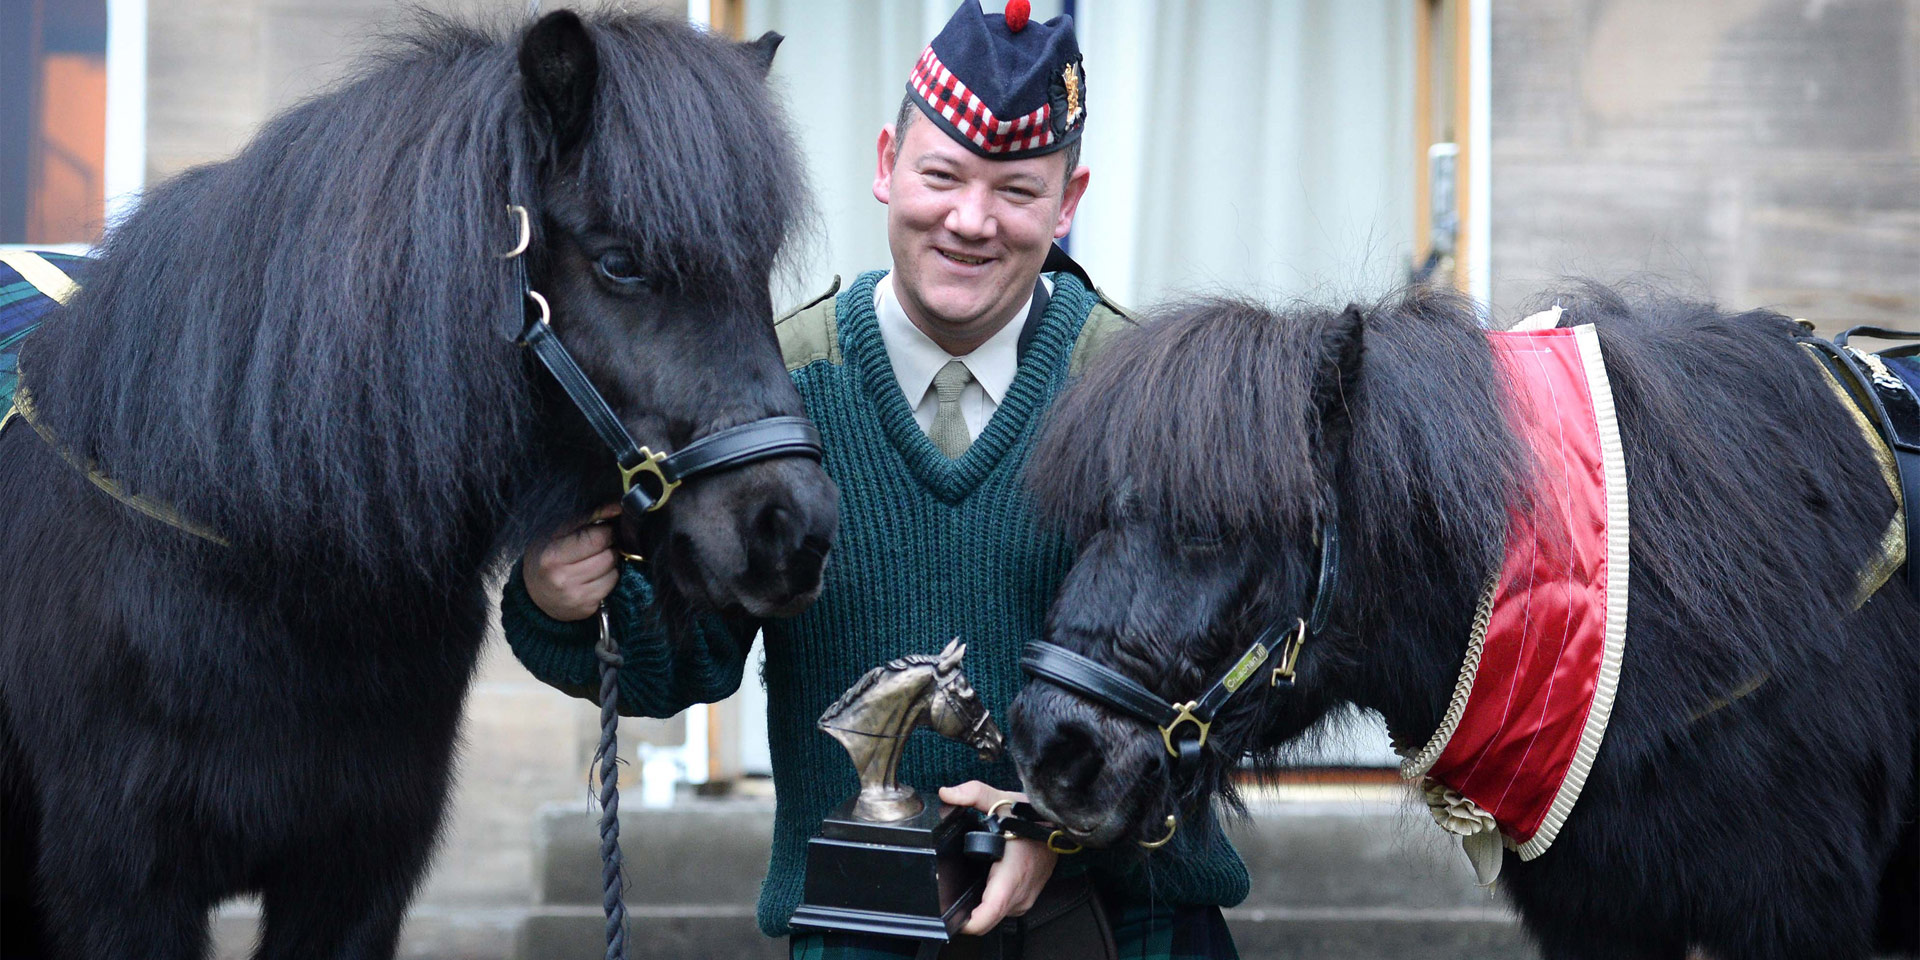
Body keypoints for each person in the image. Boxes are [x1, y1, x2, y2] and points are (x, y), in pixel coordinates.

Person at [501, 3, 1248, 956]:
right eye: (942, 176)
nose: (971, 222)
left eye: (1017, 191)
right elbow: (688, 653)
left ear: (1069, 202)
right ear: (887, 163)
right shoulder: (774, 387)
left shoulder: (1159, 396)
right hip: (859, 930)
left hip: (1130, 927)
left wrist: (1059, 822)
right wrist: (562, 603)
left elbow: (1230, 695)